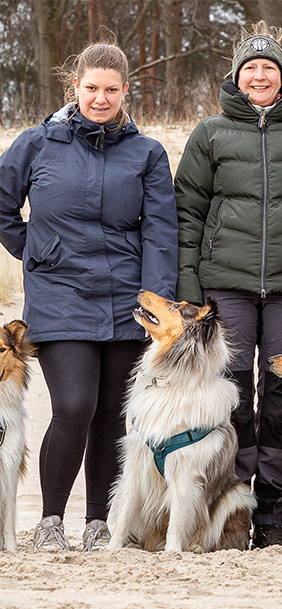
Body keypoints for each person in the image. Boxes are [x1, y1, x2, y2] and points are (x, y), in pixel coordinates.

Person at [174, 22, 282, 549]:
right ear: (236, 77)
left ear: (281, 78)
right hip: (223, 287)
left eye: (268, 68)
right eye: (250, 68)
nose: (259, 75)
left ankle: (273, 515)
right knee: (231, 398)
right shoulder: (209, 134)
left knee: (280, 399)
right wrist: (188, 290)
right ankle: (233, 513)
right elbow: (187, 216)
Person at [0, 42, 178, 551]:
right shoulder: (36, 144)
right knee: (75, 405)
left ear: (126, 91)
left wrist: (155, 301)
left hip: (127, 298)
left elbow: (161, 232)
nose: (101, 99)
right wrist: (36, 248)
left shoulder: (146, 153)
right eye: (92, 88)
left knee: (111, 414)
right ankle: (51, 521)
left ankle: (100, 523)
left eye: (111, 90)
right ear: (73, 88)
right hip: (59, 294)